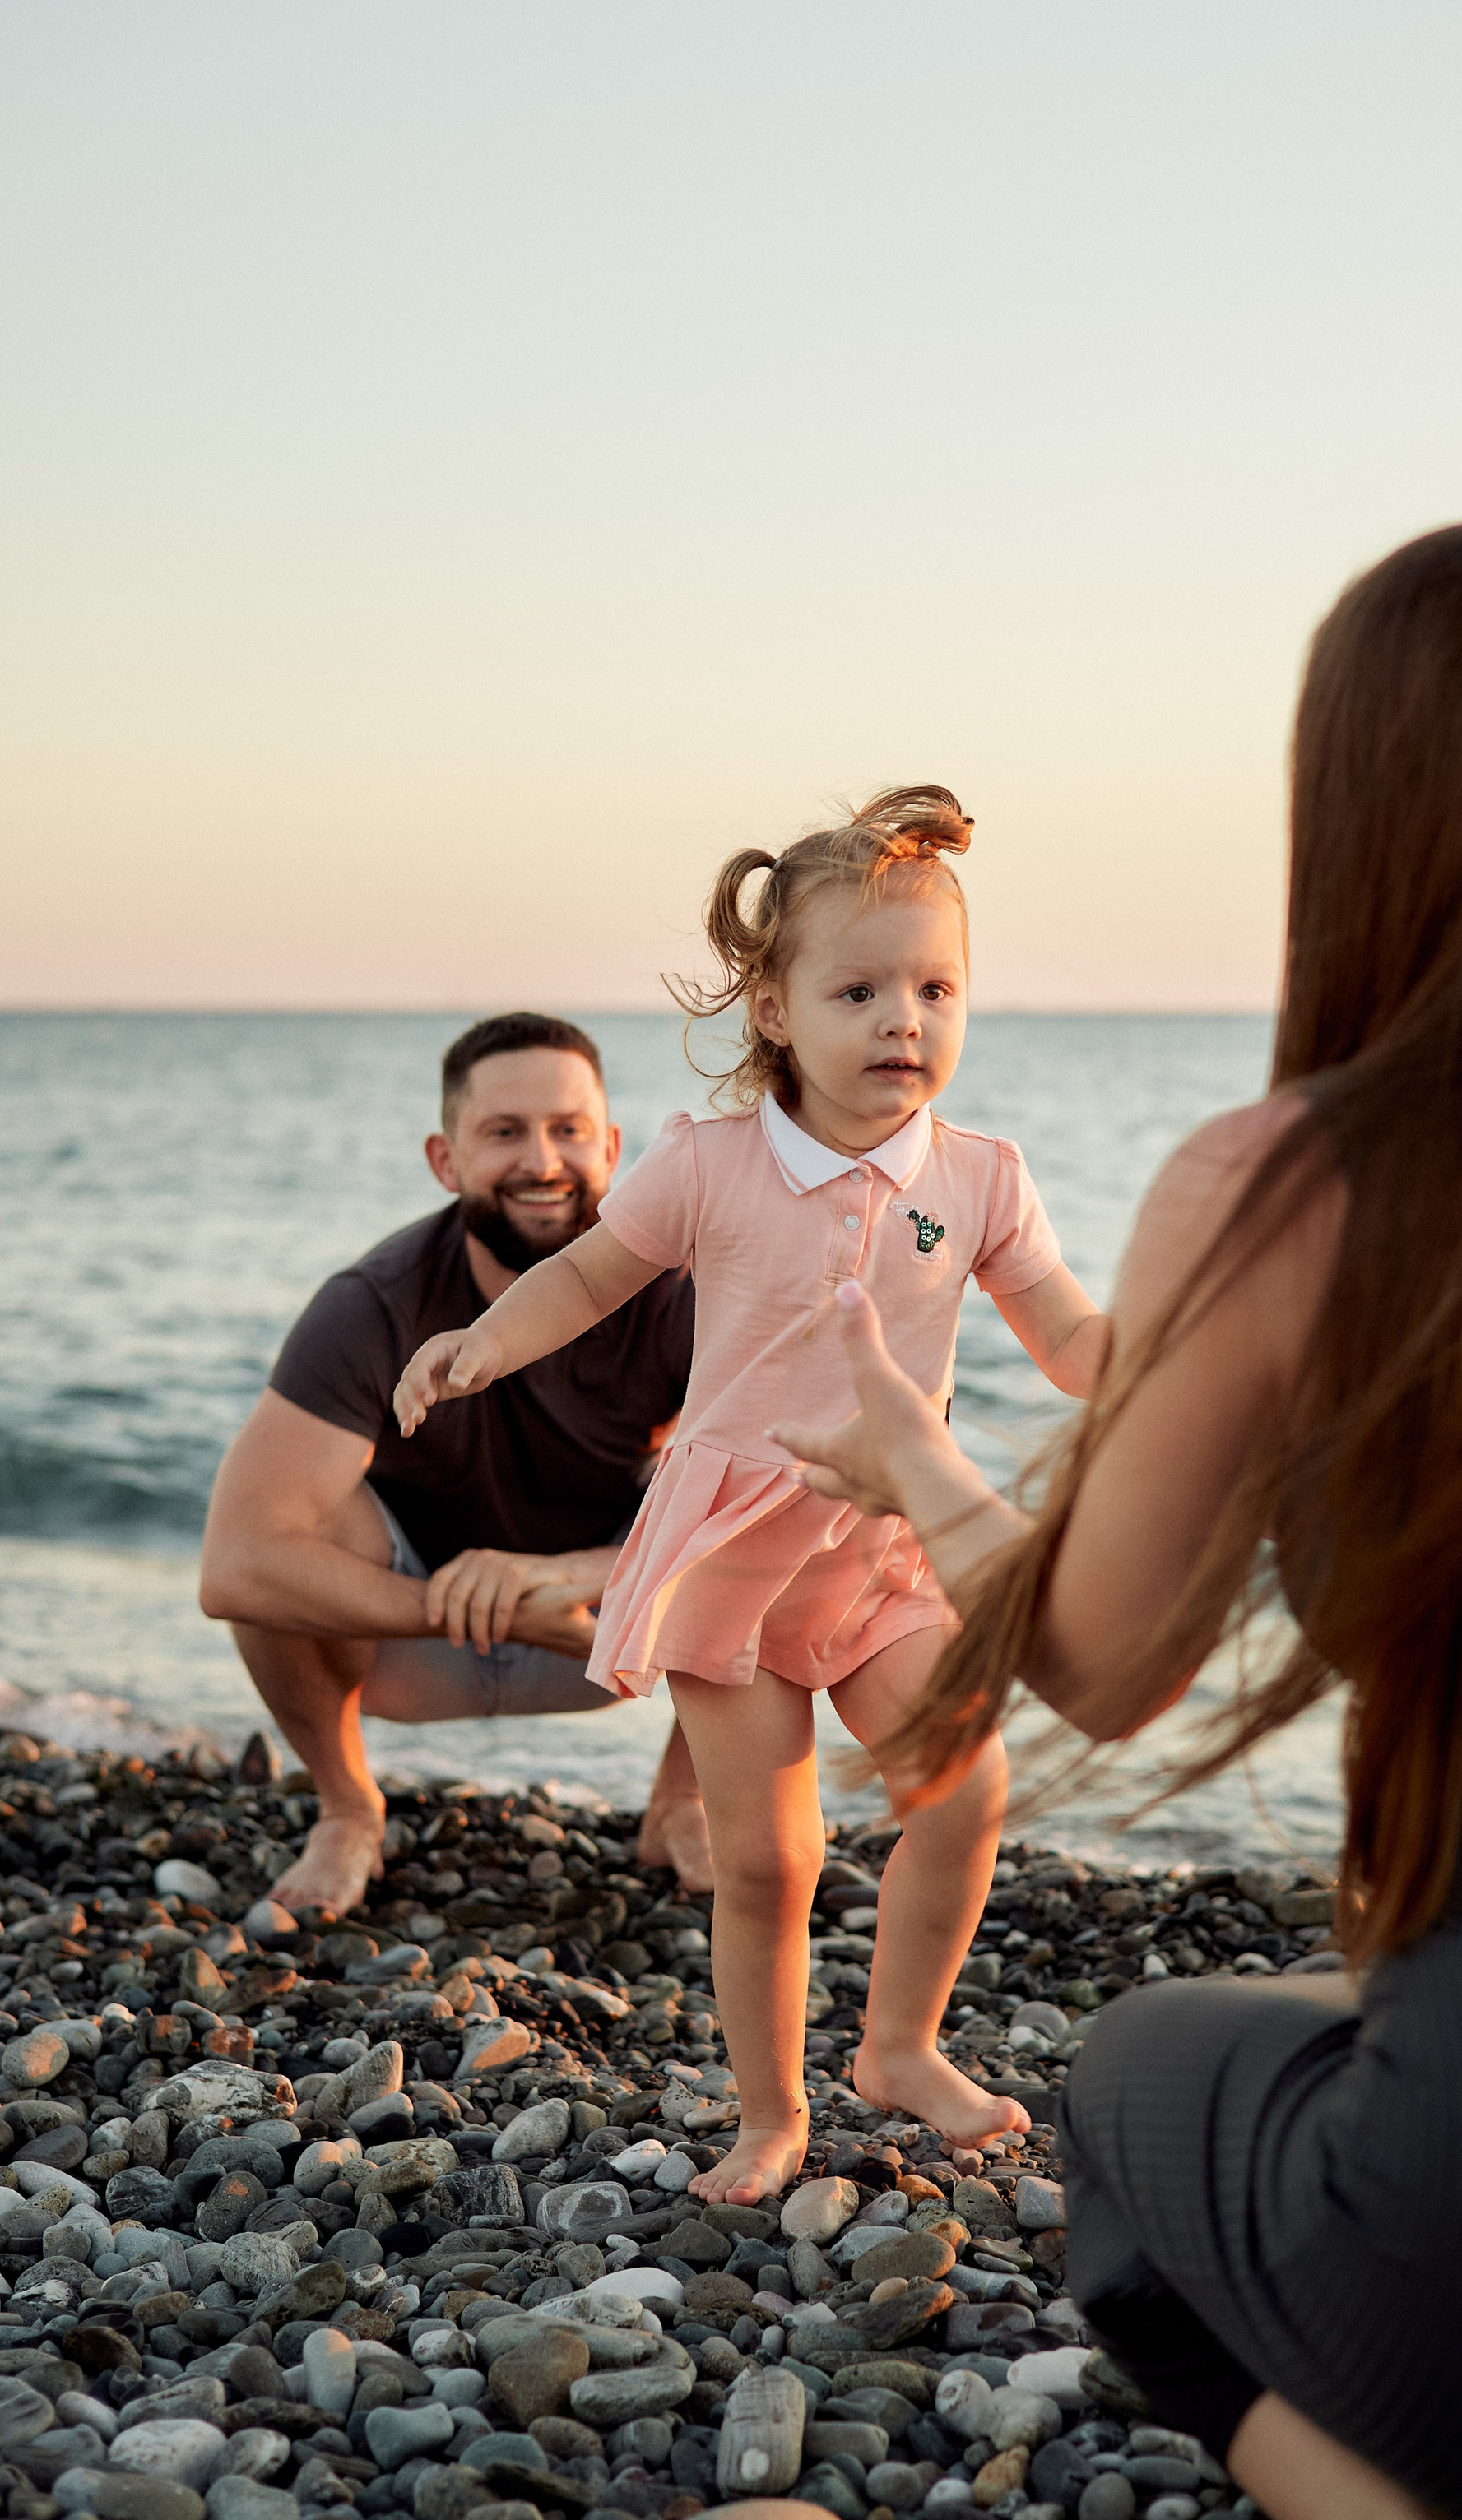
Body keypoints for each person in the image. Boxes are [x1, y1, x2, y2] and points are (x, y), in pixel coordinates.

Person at [773, 525, 1462, 2520]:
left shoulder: (1288, 1173)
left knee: (1133, 2094)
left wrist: (911, 1457)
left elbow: (1111, 1663)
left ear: (1350, 796)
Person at [394, 787, 1112, 2203]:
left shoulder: (979, 1180)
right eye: (859, 989)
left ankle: (899, 2045)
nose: (902, 1019)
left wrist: (1201, 1373)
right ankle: (772, 2110)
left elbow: (1078, 1342)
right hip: (732, 1548)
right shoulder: (714, 1162)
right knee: (771, 1858)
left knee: (966, 1788)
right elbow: (592, 1275)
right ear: (777, 1008)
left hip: (888, 1543)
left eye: (934, 987)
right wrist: (483, 1341)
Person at [199, 1011, 712, 1918]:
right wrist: (460, 1603)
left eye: (568, 1129)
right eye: (504, 1132)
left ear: (614, 1144)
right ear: (445, 1159)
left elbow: (784, 1500)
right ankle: (348, 1806)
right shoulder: (373, 1304)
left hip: (596, 1634)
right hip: (406, 1644)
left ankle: (683, 1799)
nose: (543, 1160)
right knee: (288, 1528)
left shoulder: (682, 1289)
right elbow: (235, 1563)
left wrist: (572, 1579)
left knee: (782, 1508)